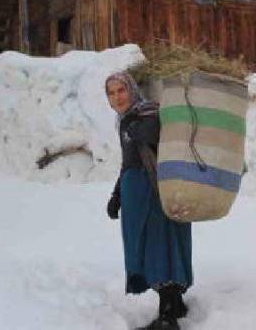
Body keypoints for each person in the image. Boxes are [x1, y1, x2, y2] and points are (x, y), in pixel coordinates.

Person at [105, 71, 193, 330]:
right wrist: (117, 195)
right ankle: (174, 304)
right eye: (111, 93)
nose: (117, 97)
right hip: (136, 191)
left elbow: (153, 135)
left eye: (121, 90)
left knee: (158, 245)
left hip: (154, 190)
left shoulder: (149, 113)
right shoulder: (125, 120)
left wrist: (137, 128)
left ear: (132, 89)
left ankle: (167, 317)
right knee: (151, 245)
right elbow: (128, 162)